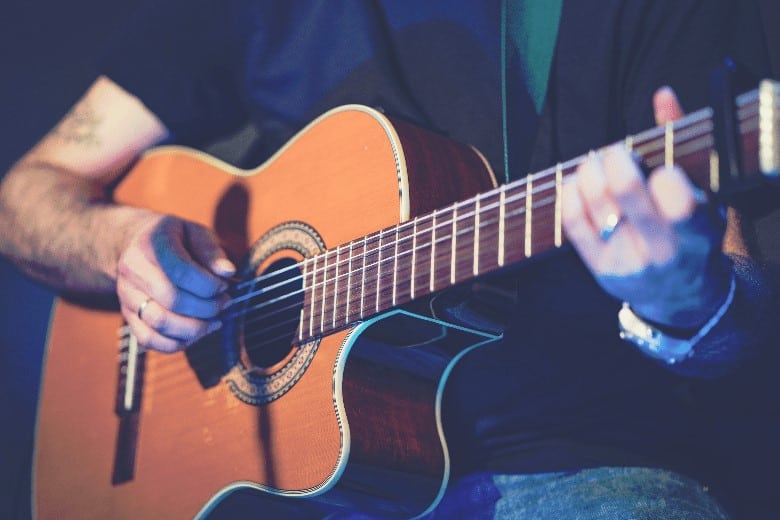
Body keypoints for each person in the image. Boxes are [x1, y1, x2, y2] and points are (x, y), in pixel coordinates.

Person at [0, 0, 773, 517]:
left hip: (577, 459)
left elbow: (734, 335)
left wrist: (683, 296)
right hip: (288, 490)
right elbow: (26, 195)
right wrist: (118, 245)